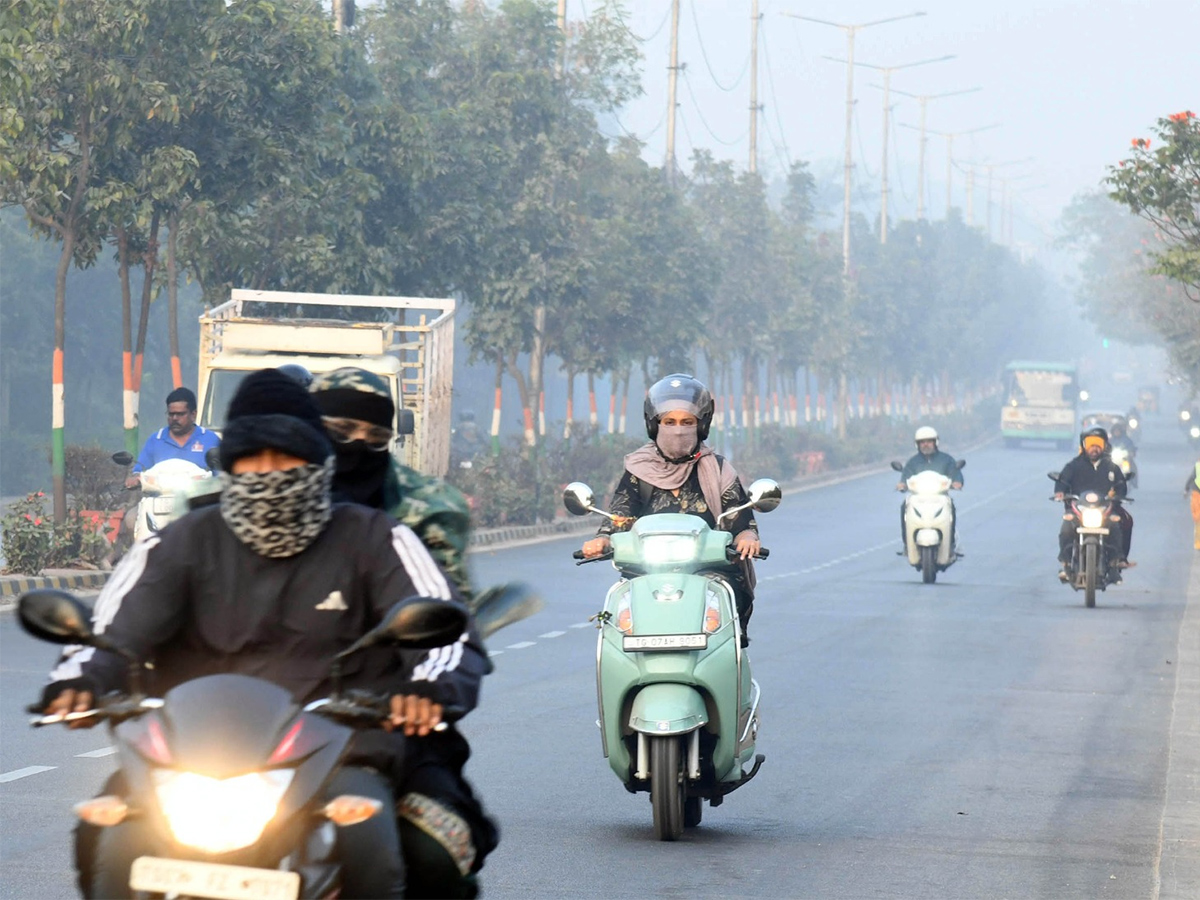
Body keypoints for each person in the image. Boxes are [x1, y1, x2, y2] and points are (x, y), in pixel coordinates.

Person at [39, 369, 494, 899]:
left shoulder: (376, 538)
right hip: (192, 756)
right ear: (229, 466)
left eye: (287, 459)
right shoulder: (181, 541)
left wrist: (424, 692)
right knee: (105, 833)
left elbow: (442, 628)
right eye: (252, 459)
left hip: (342, 751)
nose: (269, 473)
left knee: (409, 847)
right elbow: (113, 627)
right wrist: (80, 680)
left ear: (317, 463)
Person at [580, 374, 761, 644]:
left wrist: (746, 536)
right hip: (646, 569)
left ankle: (729, 661)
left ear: (701, 425)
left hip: (707, 567)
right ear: (655, 425)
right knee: (619, 618)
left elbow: (738, 515)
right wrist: (603, 538)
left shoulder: (719, 469)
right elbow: (621, 513)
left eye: (687, 422)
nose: (678, 430)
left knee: (731, 599)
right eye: (670, 422)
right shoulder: (638, 470)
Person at [310, 367, 475, 605]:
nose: (359, 443)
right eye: (342, 431)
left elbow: (445, 613)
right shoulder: (285, 488)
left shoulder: (430, 506)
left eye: (376, 438)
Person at [1054, 426, 1134, 581]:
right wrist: (1060, 492)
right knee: (1066, 527)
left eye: (1098, 444)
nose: (1094, 448)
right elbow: (1062, 482)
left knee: (1120, 524)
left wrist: (1118, 495)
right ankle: (1066, 562)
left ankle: (1117, 560)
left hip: (1105, 510)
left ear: (1103, 446)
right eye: (1091, 444)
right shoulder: (1073, 466)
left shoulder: (1111, 467)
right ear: (1084, 446)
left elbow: (1121, 486)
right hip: (1079, 510)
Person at [125, 387, 221, 488]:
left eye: (180, 414)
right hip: (158, 501)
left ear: (193, 414)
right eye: (171, 414)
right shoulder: (156, 440)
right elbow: (140, 471)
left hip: (199, 500)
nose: (174, 418)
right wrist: (135, 478)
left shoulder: (211, 440)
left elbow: (223, 474)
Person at [896, 425, 963, 549]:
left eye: (929, 441)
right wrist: (902, 484)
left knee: (951, 507)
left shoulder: (946, 459)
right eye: (922, 442)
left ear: (935, 442)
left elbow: (955, 472)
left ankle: (951, 542)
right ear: (917, 444)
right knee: (904, 507)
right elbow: (906, 475)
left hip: (940, 496)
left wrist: (957, 482)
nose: (925, 445)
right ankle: (907, 543)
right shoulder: (913, 462)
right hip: (918, 497)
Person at [1184, 455, 1200, 550]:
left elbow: (1191, 478)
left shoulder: (1198, 465)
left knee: (1198, 519)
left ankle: (1198, 543)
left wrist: (1186, 489)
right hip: (1197, 494)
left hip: (1196, 493)